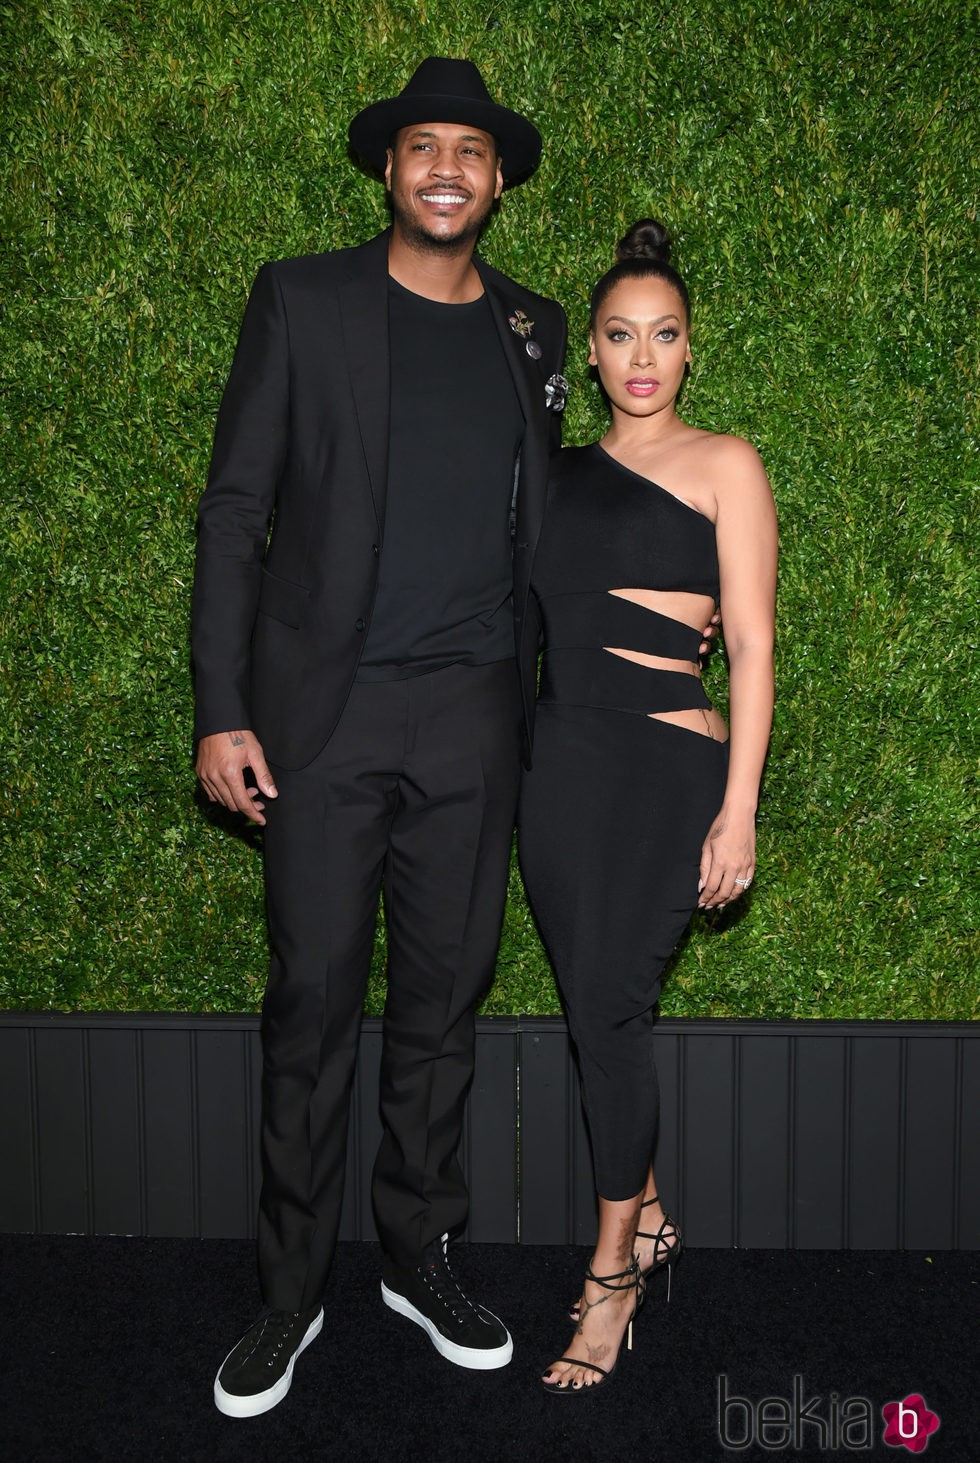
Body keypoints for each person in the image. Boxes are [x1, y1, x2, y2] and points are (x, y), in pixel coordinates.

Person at [191, 57, 570, 1416]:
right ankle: (288, 1294)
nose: (449, 166)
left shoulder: (535, 330)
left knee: (442, 1010)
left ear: (501, 178)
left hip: (477, 721)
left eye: (472, 148)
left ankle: (419, 1250)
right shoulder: (305, 298)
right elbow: (237, 510)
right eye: (425, 146)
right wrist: (222, 704)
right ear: (390, 169)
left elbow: (560, 525)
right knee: (311, 1009)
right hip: (323, 722)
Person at [518, 219, 778, 1394]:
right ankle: (654, 1217)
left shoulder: (726, 462)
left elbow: (755, 649)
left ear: (689, 349)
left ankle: (611, 1275)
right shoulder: (551, 466)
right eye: (618, 334)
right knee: (592, 1013)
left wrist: (739, 811)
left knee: (612, 1015)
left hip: (666, 776)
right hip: (556, 771)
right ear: (595, 349)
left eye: (661, 334)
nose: (640, 355)